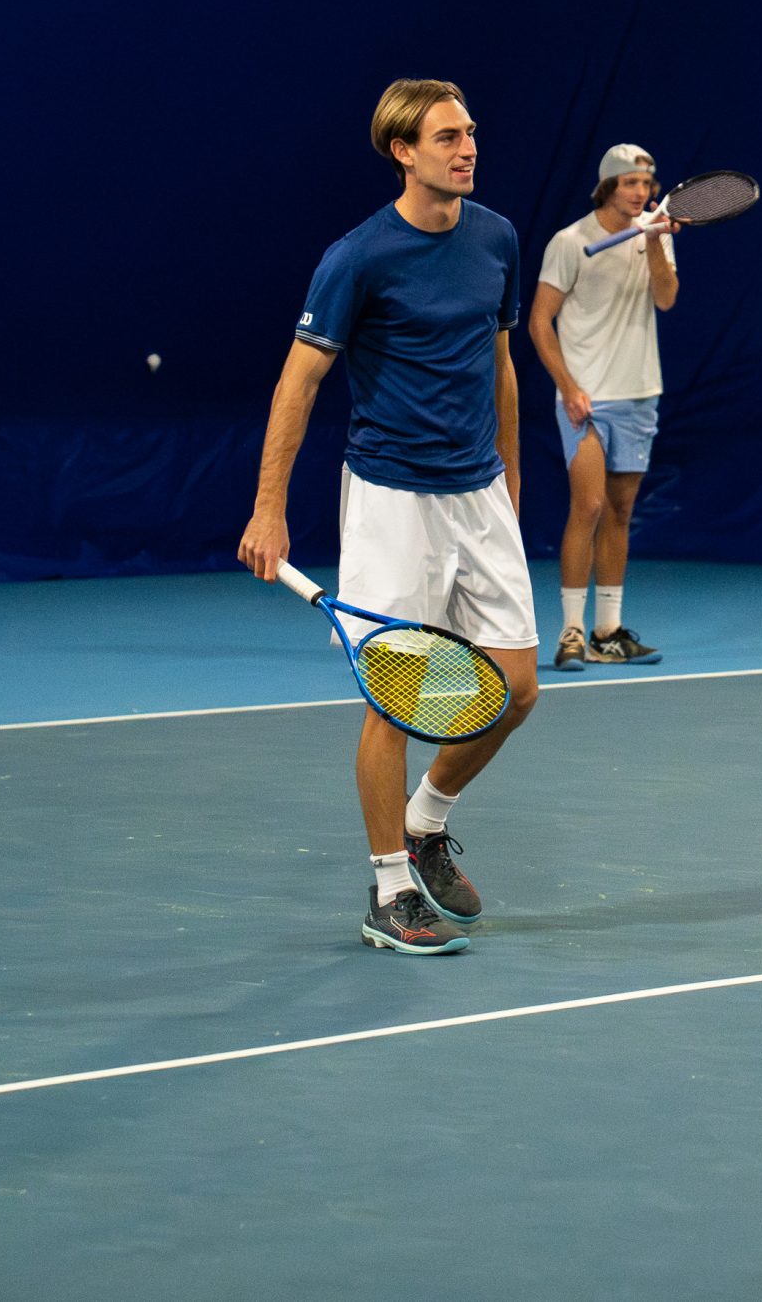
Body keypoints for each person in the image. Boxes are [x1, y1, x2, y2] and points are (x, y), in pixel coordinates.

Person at [237, 79, 539, 956]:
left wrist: (512, 482)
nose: (468, 147)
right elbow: (298, 383)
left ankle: (426, 820)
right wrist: (268, 509)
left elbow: (501, 365)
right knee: (397, 705)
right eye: (448, 136)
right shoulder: (358, 257)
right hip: (391, 502)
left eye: (471, 132)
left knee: (516, 689)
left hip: (479, 494)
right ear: (403, 151)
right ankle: (389, 890)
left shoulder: (496, 238)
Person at [527, 143, 682, 672]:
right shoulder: (569, 242)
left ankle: (607, 632)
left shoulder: (655, 235)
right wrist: (568, 386)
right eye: (630, 183)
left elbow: (666, 298)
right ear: (608, 187)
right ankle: (571, 631)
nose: (640, 192)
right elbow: (539, 321)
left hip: (639, 394)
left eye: (646, 184)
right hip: (585, 399)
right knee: (588, 507)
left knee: (619, 513)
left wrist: (655, 241)